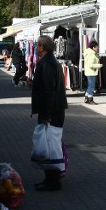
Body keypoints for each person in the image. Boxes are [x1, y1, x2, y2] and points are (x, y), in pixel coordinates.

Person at [31, 35, 68, 191]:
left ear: (42, 47)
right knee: (51, 145)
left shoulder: (46, 64)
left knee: (51, 147)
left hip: (52, 111)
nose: (36, 48)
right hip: (55, 110)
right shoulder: (53, 62)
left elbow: (48, 91)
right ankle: (51, 179)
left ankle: (52, 181)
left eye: (37, 45)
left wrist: (46, 115)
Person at [82, 40, 102, 105]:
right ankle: (90, 99)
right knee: (91, 86)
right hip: (91, 72)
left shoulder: (91, 53)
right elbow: (90, 65)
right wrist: (99, 65)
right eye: (97, 47)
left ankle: (86, 98)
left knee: (90, 86)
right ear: (93, 47)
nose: (97, 48)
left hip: (89, 72)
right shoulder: (91, 54)